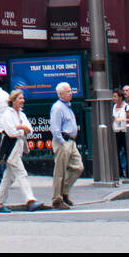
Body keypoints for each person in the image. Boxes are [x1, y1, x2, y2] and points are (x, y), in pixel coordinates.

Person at [0, 90, 39, 212]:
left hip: (18, 149)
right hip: (11, 150)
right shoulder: (7, 114)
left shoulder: (22, 115)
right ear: (13, 101)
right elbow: (11, 132)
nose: (22, 101)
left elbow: (30, 129)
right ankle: (30, 200)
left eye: (23, 98)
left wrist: (21, 127)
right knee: (22, 174)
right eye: (20, 98)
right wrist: (22, 128)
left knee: (8, 178)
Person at [49, 81, 83, 209]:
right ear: (61, 94)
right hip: (63, 141)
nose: (71, 93)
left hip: (71, 142)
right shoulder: (57, 108)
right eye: (68, 91)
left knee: (78, 167)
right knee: (60, 172)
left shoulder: (67, 106)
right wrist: (62, 142)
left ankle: (64, 192)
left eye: (71, 90)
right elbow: (55, 128)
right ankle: (57, 199)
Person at [113, 88, 129, 177]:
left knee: (127, 151)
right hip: (116, 131)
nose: (113, 98)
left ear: (120, 97)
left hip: (124, 131)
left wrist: (122, 119)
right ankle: (119, 172)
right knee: (116, 152)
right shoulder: (114, 106)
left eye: (115, 96)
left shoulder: (126, 107)